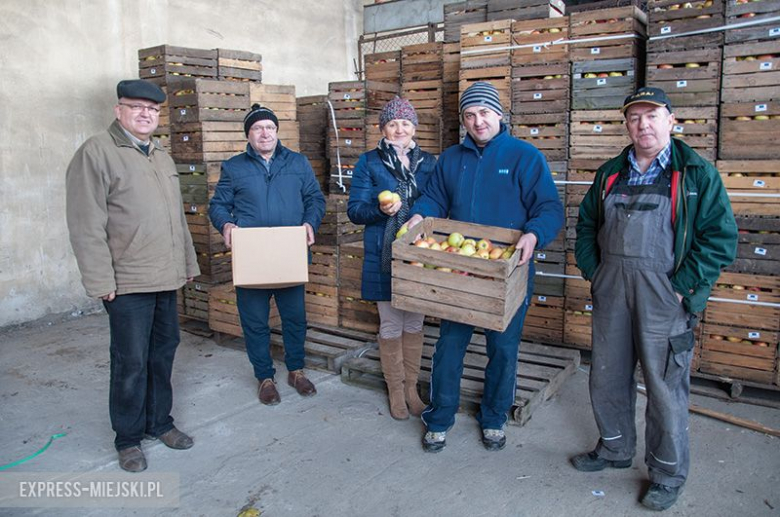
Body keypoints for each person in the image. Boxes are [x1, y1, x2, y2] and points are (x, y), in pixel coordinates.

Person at [572, 87, 738, 511]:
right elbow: (587, 224)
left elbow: (719, 239)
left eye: (652, 116)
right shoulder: (611, 172)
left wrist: (682, 288)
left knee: (664, 387)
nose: (643, 125)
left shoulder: (696, 174)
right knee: (606, 375)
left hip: (664, 294)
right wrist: (595, 271)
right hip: (612, 289)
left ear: (671, 120)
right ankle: (613, 449)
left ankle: (666, 473)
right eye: (634, 118)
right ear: (626, 125)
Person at [405, 81, 564, 452]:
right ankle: (440, 417)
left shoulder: (525, 156)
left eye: (485, 113)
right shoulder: (451, 159)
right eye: (470, 115)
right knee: (449, 345)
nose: (478, 122)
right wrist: (418, 216)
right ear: (463, 119)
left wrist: (534, 235)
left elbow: (549, 207)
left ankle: (493, 418)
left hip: (508, 269)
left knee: (504, 348)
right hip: (458, 268)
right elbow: (433, 198)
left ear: (499, 115)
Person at [66, 79, 200, 472]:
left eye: (153, 109)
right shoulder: (97, 153)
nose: (146, 114)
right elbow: (85, 224)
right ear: (118, 110)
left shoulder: (160, 155)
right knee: (130, 361)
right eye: (137, 107)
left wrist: (188, 265)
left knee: (163, 353)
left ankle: (160, 423)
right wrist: (100, 281)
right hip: (127, 282)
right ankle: (127, 439)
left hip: (166, 276)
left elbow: (177, 220)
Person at [209, 103, 326, 406]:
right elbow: (218, 205)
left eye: (270, 128)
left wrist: (310, 223)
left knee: (295, 318)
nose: (265, 133)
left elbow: (314, 198)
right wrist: (226, 224)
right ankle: (264, 376)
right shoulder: (234, 167)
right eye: (258, 128)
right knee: (255, 321)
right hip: (253, 255)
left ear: (277, 131)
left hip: (289, 251)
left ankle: (296, 371)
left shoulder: (297, 163)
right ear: (248, 135)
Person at [347, 97, 438, 420]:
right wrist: (379, 210)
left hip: (418, 255)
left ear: (414, 127)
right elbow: (354, 210)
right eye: (393, 123)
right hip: (381, 254)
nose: (400, 129)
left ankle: (412, 388)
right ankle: (396, 391)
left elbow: (438, 202)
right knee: (390, 324)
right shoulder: (369, 162)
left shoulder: (429, 162)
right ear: (382, 128)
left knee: (414, 322)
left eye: (406, 123)